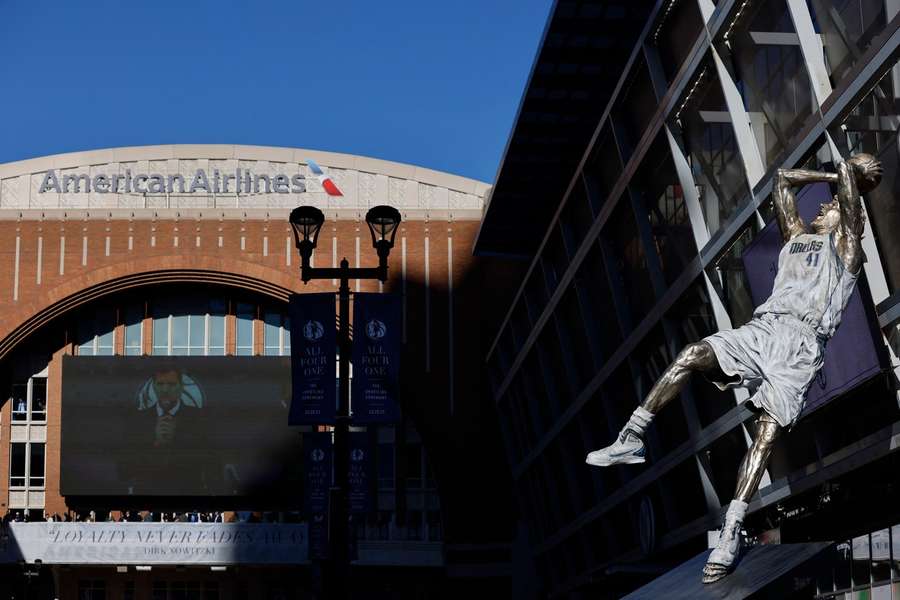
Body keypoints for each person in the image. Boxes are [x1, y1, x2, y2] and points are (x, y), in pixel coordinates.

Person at [585, 154, 883, 583]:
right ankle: (632, 436)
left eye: (830, 205)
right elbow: (781, 179)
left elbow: (853, 204)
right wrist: (834, 173)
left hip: (801, 345)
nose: (822, 207)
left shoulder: (848, 248)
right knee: (692, 353)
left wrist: (849, 177)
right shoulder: (796, 236)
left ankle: (732, 526)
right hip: (765, 327)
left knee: (766, 431)